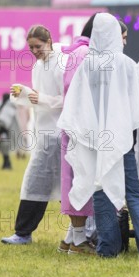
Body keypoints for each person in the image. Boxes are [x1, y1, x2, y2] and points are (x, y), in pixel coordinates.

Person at [57, 13, 139, 260]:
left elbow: (76, 106)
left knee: (100, 190)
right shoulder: (127, 64)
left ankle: (107, 249)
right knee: (134, 194)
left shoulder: (87, 66)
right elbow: (137, 106)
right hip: (122, 139)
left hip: (94, 141)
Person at [1, 26, 65, 245]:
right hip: (44, 135)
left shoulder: (63, 63)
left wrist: (41, 99)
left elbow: (70, 99)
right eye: (31, 47)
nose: (35, 51)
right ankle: (23, 232)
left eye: (38, 46)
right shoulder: (38, 66)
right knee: (35, 182)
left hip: (63, 135)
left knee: (71, 186)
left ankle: (82, 234)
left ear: (49, 41)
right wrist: (24, 94)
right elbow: (39, 99)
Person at [57, 14, 97, 255]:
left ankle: (71, 237)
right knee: (80, 180)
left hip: (74, 126)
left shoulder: (78, 51)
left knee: (74, 180)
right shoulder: (85, 54)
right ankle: (79, 241)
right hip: (80, 128)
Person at [0, 93, 18, 170]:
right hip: (5, 130)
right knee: (4, 148)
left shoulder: (7, 107)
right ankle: (5, 163)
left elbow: (4, 121)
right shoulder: (6, 106)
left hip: (4, 131)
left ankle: (7, 164)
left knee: (5, 147)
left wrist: (0, 132)